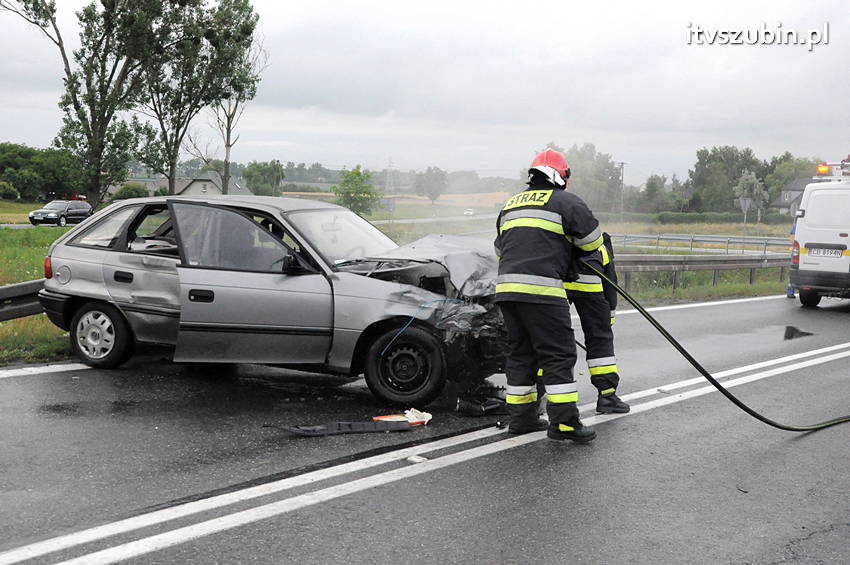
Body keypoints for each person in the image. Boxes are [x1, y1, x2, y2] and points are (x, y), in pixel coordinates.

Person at [494, 148, 604, 443]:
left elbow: (500, 249)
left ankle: (522, 419)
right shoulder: (566, 202)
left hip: (506, 292)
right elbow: (593, 242)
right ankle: (565, 424)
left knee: (521, 354)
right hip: (542, 292)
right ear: (562, 176)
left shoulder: (510, 204)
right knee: (558, 354)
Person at [565, 232, 630, 414]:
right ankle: (607, 396)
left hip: (558, 290)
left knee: (553, 342)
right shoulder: (601, 247)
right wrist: (609, 317)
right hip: (592, 293)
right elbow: (610, 283)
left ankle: (543, 394)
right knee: (600, 343)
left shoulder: (558, 243)